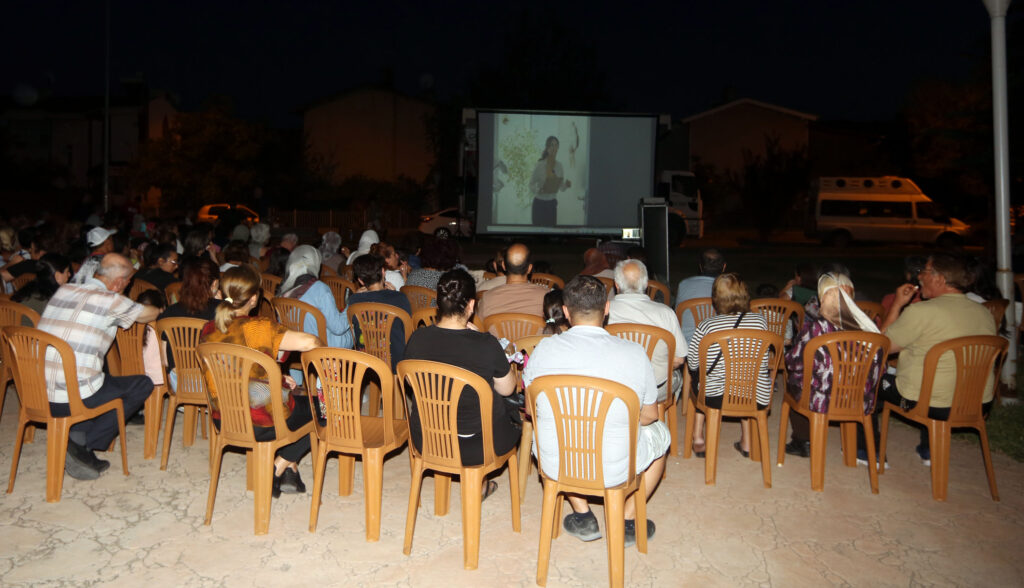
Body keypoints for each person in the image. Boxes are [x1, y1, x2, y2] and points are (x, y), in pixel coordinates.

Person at [523, 275, 668, 546]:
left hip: (558, 460)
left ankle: (583, 514)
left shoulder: (542, 350)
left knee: (548, 433)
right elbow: (650, 416)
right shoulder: (634, 353)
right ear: (607, 309)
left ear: (565, 312)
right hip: (616, 464)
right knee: (662, 434)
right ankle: (625, 520)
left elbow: (531, 410)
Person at [860, 252, 997, 466]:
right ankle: (929, 451)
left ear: (940, 278)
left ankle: (866, 452)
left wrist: (896, 305)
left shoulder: (921, 311)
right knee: (934, 377)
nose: (919, 277)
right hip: (978, 404)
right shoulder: (984, 313)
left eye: (925, 272)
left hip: (929, 403)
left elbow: (879, 348)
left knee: (864, 377)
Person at [199, 265, 321, 496]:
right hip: (262, 422)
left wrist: (276, 377)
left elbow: (234, 369)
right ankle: (277, 466)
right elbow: (310, 342)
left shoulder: (207, 329)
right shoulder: (260, 327)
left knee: (289, 400)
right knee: (324, 408)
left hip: (223, 418)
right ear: (254, 298)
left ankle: (289, 472)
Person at [37, 253, 160, 480]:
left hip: (37, 393)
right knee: (142, 384)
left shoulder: (64, 290)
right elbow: (146, 315)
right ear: (118, 283)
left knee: (102, 377)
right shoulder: (111, 300)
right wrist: (159, 309)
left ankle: (78, 434)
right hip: (73, 398)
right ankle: (80, 446)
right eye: (128, 282)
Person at [404, 269, 521, 492]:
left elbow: (411, 382)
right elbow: (508, 389)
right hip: (476, 445)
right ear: (470, 305)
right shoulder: (486, 344)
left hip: (427, 437)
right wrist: (481, 338)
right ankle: (482, 486)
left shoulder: (417, 338)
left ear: (439, 304)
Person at [782, 273, 883, 458]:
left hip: (823, 398)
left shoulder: (816, 329)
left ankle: (803, 440)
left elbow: (794, 362)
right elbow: (880, 369)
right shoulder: (871, 328)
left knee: (795, 381)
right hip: (859, 398)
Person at [686, 273, 770, 459]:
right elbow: (764, 362)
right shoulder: (760, 322)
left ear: (715, 298)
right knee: (744, 378)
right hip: (755, 395)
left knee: (700, 379)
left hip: (716, 396)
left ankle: (698, 437)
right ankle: (747, 442)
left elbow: (693, 362)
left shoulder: (707, 326)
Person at [608, 260, 687, 402]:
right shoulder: (666, 313)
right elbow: (679, 359)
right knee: (676, 377)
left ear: (617, 285)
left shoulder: (603, 312)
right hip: (656, 388)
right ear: (646, 284)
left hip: (615, 387)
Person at [278, 244, 354, 351]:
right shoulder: (319, 288)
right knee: (358, 324)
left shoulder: (283, 291)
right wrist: (353, 302)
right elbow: (338, 328)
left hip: (298, 347)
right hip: (327, 347)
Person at [348, 254, 412, 369]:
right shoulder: (400, 298)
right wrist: (396, 293)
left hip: (366, 359)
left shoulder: (354, 300)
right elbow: (407, 331)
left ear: (361, 281)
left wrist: (355, 296)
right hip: (396, 361)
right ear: (383, 272)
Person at [477, 243, 549, 325]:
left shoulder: (487, 298)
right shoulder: (546, 296)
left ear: (504, 266)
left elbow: (479, 329)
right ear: (529, 268)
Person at [676, 248, 726, 345]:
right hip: (720, 346)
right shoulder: (730, 290)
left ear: (700, 266)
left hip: (688, 346)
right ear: (724, 267)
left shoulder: (684, 284)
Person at [11, 253, 71, 321]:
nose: (69, 274)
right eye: (67, 271)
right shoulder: (51, 301)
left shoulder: (27, 290)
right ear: (57, 276)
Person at [529, 136, 571, 226]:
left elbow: (561, 188)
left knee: (550, 235)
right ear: (547, 147)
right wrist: (537, 190)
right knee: (537, 235)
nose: (554, 148)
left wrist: (566, 185)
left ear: (558, 148)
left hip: (551, 205)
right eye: (551, 145)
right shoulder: (540, 165)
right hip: (539, 204)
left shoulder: (560, 166)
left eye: (556, 145)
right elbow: (531, 184)